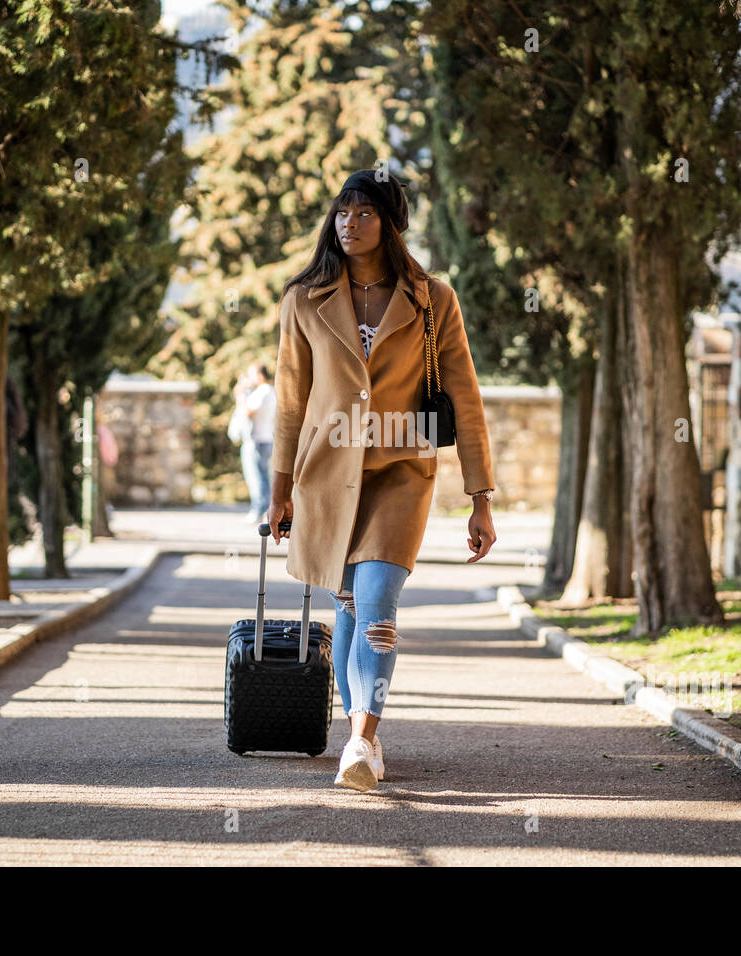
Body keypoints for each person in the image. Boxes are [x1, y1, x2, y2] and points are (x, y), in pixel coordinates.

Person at [267, 168, 497, 792]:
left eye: (365, 212)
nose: (349, 222)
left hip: (402, 471)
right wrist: (279, 491)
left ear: (391, 224)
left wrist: (481, 499)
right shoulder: (303, 299)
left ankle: (363, 740)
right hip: (326, 476)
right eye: (342, 211)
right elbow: (290, 404)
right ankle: (357, 732)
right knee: (347, 606)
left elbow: (465, 399)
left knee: (375, 611)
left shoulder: (432, 299)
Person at [235, 364, 276, 523]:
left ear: (259, 376)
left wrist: (241, 395)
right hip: (266, 439)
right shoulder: (271, 391)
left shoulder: (262, 392)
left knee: (256, 478)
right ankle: (264, 509)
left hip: (256, 441)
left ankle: (260, 510)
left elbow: (247, 413)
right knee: (264, 476)